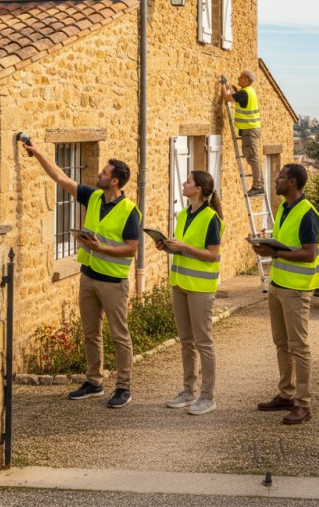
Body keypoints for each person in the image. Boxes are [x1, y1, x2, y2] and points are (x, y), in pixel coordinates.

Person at [24, 138, 140, 409]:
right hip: (88, 277)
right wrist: (39, 152)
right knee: (90, 332)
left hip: (113, 283)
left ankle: (123, 387)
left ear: (115, 182)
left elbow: (131, 250)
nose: (99, 174)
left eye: (104, 173)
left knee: (119, 336)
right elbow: (61, 178)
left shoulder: (129, 211)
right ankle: (94, 382)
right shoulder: (94, 196)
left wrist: (101, 248)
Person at [252, 163, 319, 425]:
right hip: (278, 286)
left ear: (291, 182)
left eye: (280, 177)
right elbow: (286, 243)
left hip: (297, 290)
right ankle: (286, 394)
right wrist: (267, 243)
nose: (276, 180)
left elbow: (309, 253)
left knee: (299, 347)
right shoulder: (284, 207)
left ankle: (303, 404)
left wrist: (274, 253)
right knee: (281, 343)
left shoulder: (307, 214)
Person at [156, 171, 224, 416]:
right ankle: (188, 391)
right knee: (186, 341)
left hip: (201, 289)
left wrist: (182, 246)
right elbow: (184, 250)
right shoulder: (184, 214)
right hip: (180, 284)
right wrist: (168, 247)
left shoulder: (211, 218)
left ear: (198, 189)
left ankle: (208, 397)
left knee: (203, 342)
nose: (184, 184)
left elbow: (211, 254)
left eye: (188, 181)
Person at [220, 70, 263, 197]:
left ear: (248, 80)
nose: (239, 77)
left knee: (252, 157)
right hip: (250, 129)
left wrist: (223, 84)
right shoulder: (249, 91)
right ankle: (259, 184)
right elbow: (239, 94)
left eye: (242, 76)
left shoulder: (244, 93)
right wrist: (233, 87)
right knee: (251, 156)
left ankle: (257, 186)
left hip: (250, 130)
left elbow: (226, 97)